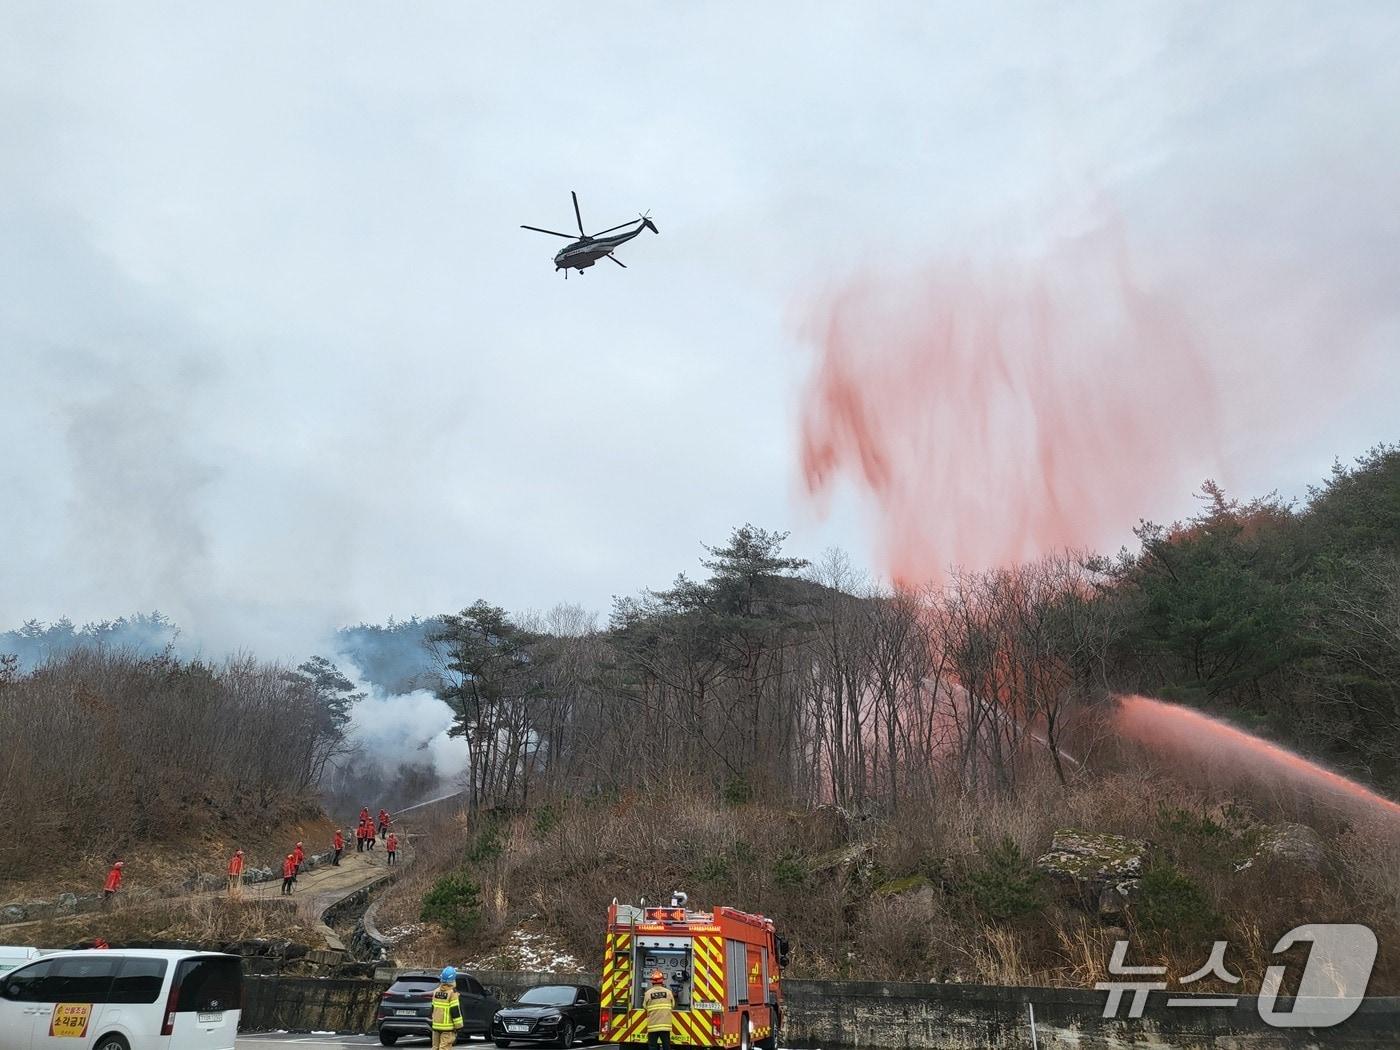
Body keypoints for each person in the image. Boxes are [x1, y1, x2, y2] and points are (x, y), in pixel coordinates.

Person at [429, 967, 464, 1050]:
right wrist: (459, 1026)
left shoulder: (436, 991)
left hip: (436, 1026)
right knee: (445, 1048)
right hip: (447, 1028)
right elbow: (455, 1011)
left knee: (435, 1047)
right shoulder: (452, 993)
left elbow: (433, 1008)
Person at [643, 969, 675, 1050]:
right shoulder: (668, 992)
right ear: (662, 981)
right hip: (665, 1025)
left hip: (653, 1025)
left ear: (652, 982)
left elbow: (644, 1006)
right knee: (666, 1046)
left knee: (652, 1046)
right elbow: (673, 1005)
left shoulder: (648, 993)